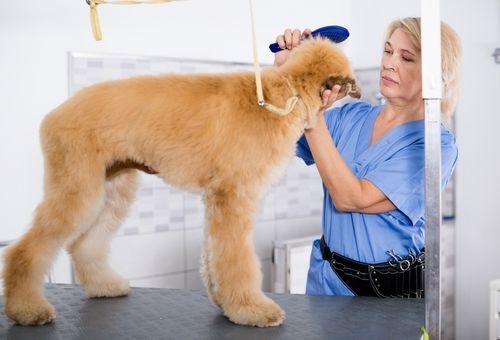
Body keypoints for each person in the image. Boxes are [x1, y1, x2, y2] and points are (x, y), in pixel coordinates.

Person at [273, 17, 462, 297]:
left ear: (436, 76)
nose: (389, 63)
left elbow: (351, 198)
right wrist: (287, 75)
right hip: (327, 282)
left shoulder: (435, 145)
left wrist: (312, 111)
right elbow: (277, 131)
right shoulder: (350, 116)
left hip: (385, 294)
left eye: (406, 57)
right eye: (388, 51)